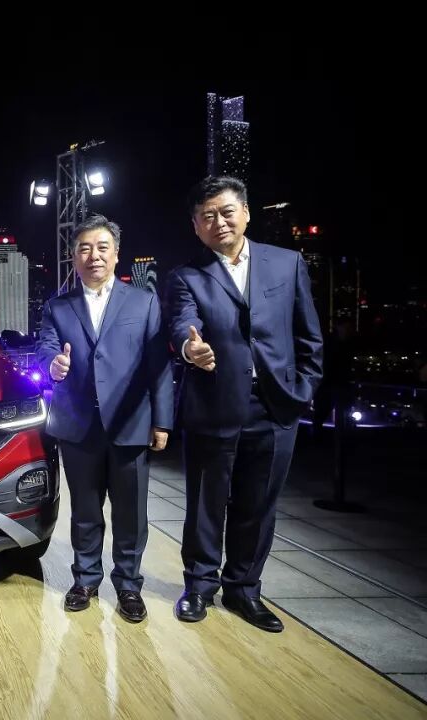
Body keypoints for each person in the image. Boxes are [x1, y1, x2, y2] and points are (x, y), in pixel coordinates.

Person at [166, 176, 323, 632]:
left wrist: (303, 390)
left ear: (246, 213)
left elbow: (309, 336)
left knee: (258, 505)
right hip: (213, 405)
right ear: (196, 226)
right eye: (207, 216)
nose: (219, 222)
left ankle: (244, 589)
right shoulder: (186, 276)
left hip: (274, 407)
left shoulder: (287, 263)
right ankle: (199, 586)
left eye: (226, 211)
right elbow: (182, 323)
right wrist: (190, 348)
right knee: (205, 504)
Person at [37, 214, 173, 622]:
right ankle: (85, 580)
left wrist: (162, 421)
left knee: (131, 513)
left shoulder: (143, 302)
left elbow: (158, 365)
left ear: (116, 254)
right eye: (84, 249)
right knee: (85, 510)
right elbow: (45, 350)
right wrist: (53, 365)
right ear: (73, 257)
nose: (93, 256)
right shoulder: (58, 307)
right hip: (78, 425)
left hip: (131, 422)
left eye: (101, 248)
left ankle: (129, 586)